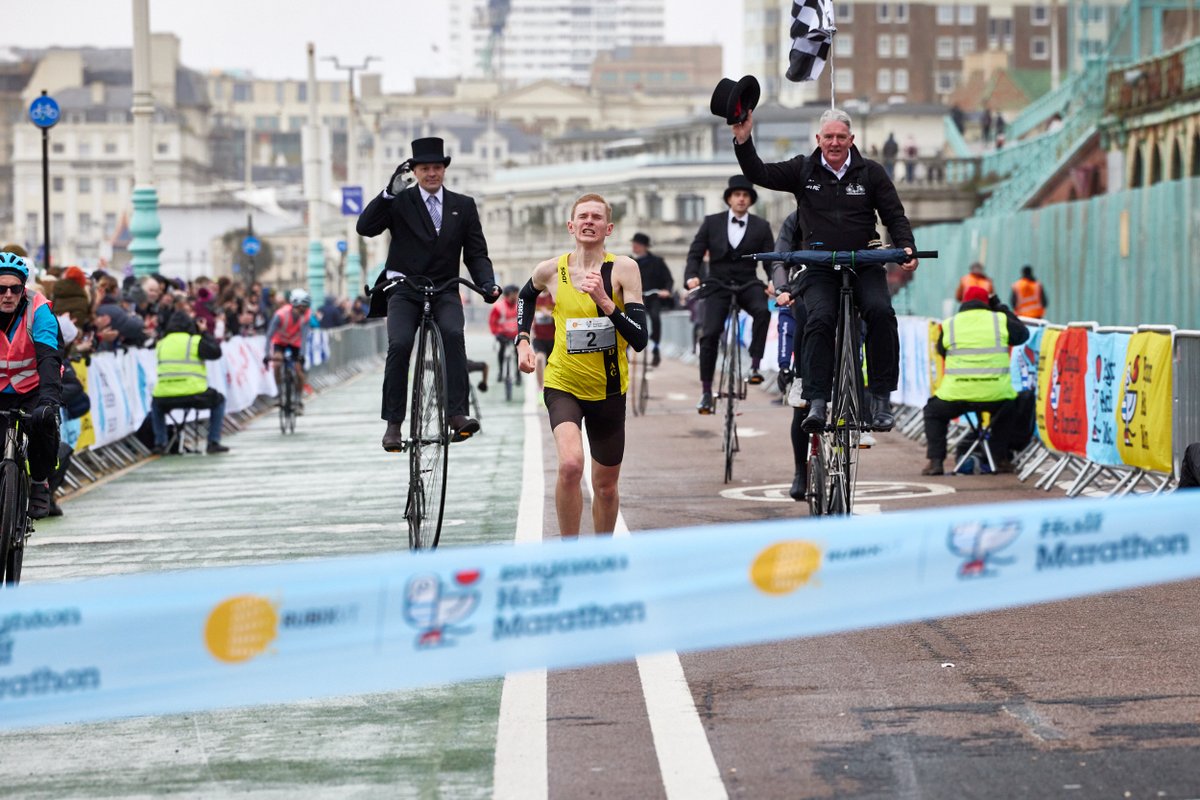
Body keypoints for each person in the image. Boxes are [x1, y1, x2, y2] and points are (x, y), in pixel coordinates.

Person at [733, 106, 918, 434]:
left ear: (852, 139)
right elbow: (759, 173)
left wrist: (906, 247)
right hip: (819, 264)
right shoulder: (802, 169)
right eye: (828, 137)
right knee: (819, 319)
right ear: (818, 139)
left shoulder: (871, 173)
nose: (834, 142)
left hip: (864, 260)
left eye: (841, 137)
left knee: (880, 312)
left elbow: (894, 215)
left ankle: (880, 399)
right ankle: (817, 400)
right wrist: (743, 140)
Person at [513, 193, 648, 536]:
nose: (589, 222)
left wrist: (605, 300)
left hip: (609, 388)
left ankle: (600, 555)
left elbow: (640, 338)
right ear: (571, 226)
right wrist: (523, 340)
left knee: (604, 487)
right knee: (571, 465)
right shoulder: (550, 270)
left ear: (609, 228)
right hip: (563, 384)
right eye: (582, 217)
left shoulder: (624, 269)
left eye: (596, 217)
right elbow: (525, 297)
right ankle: (570, 554)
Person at [357, 136, 501, 452]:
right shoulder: (399, 201)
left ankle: (457, 414)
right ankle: (393, 425)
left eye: (437, 167)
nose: (432, 173)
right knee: (400, 344)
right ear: (415, 171)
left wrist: (487, 283)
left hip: (445, 288)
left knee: (452, 334)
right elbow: (365, 228)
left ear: (444, 169)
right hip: (405, 288)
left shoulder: (463, 206)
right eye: (425, 168)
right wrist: (387, 193)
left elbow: (476, 253)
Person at [684, 175, 775, 414]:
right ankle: (705, 392)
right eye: (737, 195)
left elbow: (769, 259)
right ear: (729, 199)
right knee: (710, 333)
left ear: (750, 200)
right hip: (717, 284)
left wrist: (774, 281)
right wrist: (691, 275)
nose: (741, 199)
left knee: (763, 311)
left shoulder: (761, 226)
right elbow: (694, 253)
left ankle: (755, 366)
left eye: (745, 195)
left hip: (748, 283)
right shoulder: (711, 222)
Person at [920, 286, 1030, 475]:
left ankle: (935, 462)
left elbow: (941, 351)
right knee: (1011, 410)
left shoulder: (950, 324)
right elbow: (1023, 335)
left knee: (933, 412)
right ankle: (1000, 459)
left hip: (956, 394)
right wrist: (1002, 308)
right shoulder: (1000, 320)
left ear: (963, 303)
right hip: (996, 395)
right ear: (988, 304)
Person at [0, 251, 62, 519]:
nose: (8, 295)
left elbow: (48, 356)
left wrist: (49, 400)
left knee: (43, 422)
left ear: (23, 288)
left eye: (15, 288)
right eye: (1, 289)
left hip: (33, 388)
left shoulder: (39, 310)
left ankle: (39, 482)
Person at [150, 311, 230, 456]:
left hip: (165, 395)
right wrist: (204, 333)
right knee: (219, 401)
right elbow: (216, 353)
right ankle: (213, 442)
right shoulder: (194, 341)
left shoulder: (161, 344)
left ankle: (160, 443)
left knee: (156, 406)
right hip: (195, 393)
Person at [265, 288, 315, 414]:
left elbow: (304, 337)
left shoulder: (306, 316)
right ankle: (279, 393)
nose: (303, 311)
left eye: (305, 307)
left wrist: (302, 356)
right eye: (301, 308)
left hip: (295, 343)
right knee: (276, 364)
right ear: (294, 305)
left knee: (298, 370)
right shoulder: (280, 315)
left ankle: (298, 400)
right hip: (280, 342)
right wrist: (267, 354)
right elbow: (269, 336)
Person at [631, 232, 674, 367]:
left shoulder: (657, 262)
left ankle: (655, 349)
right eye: (633, 244)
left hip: (653, 297)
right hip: (634, 297)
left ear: (645, 246)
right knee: (625, 319)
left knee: (655, 318)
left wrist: (666, 290)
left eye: (637, 245)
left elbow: (668, 279)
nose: (634, 247)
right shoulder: (628, 261)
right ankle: (625, 349)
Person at [488, 284, 520, 375]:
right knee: (501, 350)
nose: (517, 295)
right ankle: (501, 371)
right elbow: (492, 322)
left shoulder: (519, 305)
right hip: (503, 334)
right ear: (509, 294)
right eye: (515, 293)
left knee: (518, 351)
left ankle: (518, 374)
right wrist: (496, 333)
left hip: (515, 334)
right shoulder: (498, 307)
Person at [530, 288, 555, 390]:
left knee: (551, 366)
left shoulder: (554, 296)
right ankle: (540, 389)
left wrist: (548, 313)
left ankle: (552, 389)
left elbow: (563, 315)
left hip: (554, 337)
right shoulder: (533, 298)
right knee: (539, 359)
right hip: (539, 338)